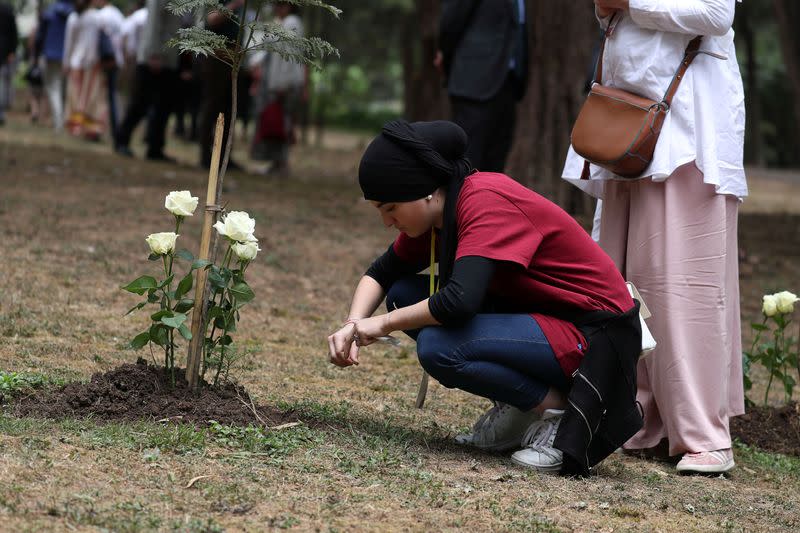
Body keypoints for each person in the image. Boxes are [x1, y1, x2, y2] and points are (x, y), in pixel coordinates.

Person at [327, 120, 643, 475]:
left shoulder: (484, 201)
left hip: (593, 334)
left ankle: (559, 414)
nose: (387, 221)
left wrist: (380, 323)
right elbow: (382, 273)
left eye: (390, 209)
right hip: (542, 320)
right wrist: (353, 324)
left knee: (438, 346)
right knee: (403, 295)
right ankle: (523, 406)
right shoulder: (439, 213)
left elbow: (458, 301)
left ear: (426, 192)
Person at [561, 0, 746, 474]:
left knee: (684, 287)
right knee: (625, 279)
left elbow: (715, 13)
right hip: (631, 119)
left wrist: (630, 3)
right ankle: (640, 413)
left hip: (687, 128)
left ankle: (706, 434)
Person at [434, 0, 527, 172]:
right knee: (467, 167)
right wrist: (446, 57)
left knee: (495, 171)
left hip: (508, 83)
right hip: (474, 83)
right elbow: (452, 20)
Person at [114, 0, 181, 161]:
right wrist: (154, 54)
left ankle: (155, 148)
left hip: (168, 58)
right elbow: (153, 23)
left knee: (163, 107)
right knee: (140, 103)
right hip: (154, 59)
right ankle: (122, 140)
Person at [249, 1, 306, 177]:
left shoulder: (291, 23)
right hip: (277, 83)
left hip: (284, 84)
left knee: (282, 124)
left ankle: (282, 164)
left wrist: (281, 84)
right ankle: (276, 162)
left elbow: (287, 57)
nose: (277, 9)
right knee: (277, 122)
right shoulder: (283, 23)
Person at [63, 0, 107, 140]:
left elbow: (69, 43)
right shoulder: (94, 17)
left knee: (81, 97)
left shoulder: (82, 17)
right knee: (85, 97)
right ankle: (84, 127)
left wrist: (66, 62)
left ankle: (82, 127)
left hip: (83, 63)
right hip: (87, 63)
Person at [34, 0, 73, 131]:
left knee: (52, 88)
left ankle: (58, 121)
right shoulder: (73, 13)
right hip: (67, 56)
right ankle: (60, 119)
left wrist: (36, 55)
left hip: (49, 55)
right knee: (61, 88)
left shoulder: (50, 11)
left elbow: (40, 36)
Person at [93, 0, 125, 145]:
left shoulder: (101, 15)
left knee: (102, 96)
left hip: (105, 61)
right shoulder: (118, 14)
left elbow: (99, 40)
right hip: (117, 60)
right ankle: (115, 129)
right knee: (113, 96)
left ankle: (99, 128)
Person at [0, 1, 18, 126]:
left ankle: (1, 112)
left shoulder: (6, 9)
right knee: (3, 82)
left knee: (3, 82)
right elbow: (14, 32)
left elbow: (13, 31)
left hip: (4, 50)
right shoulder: (7, 9)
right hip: (4, 50)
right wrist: (12, 50)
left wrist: (12, 51)